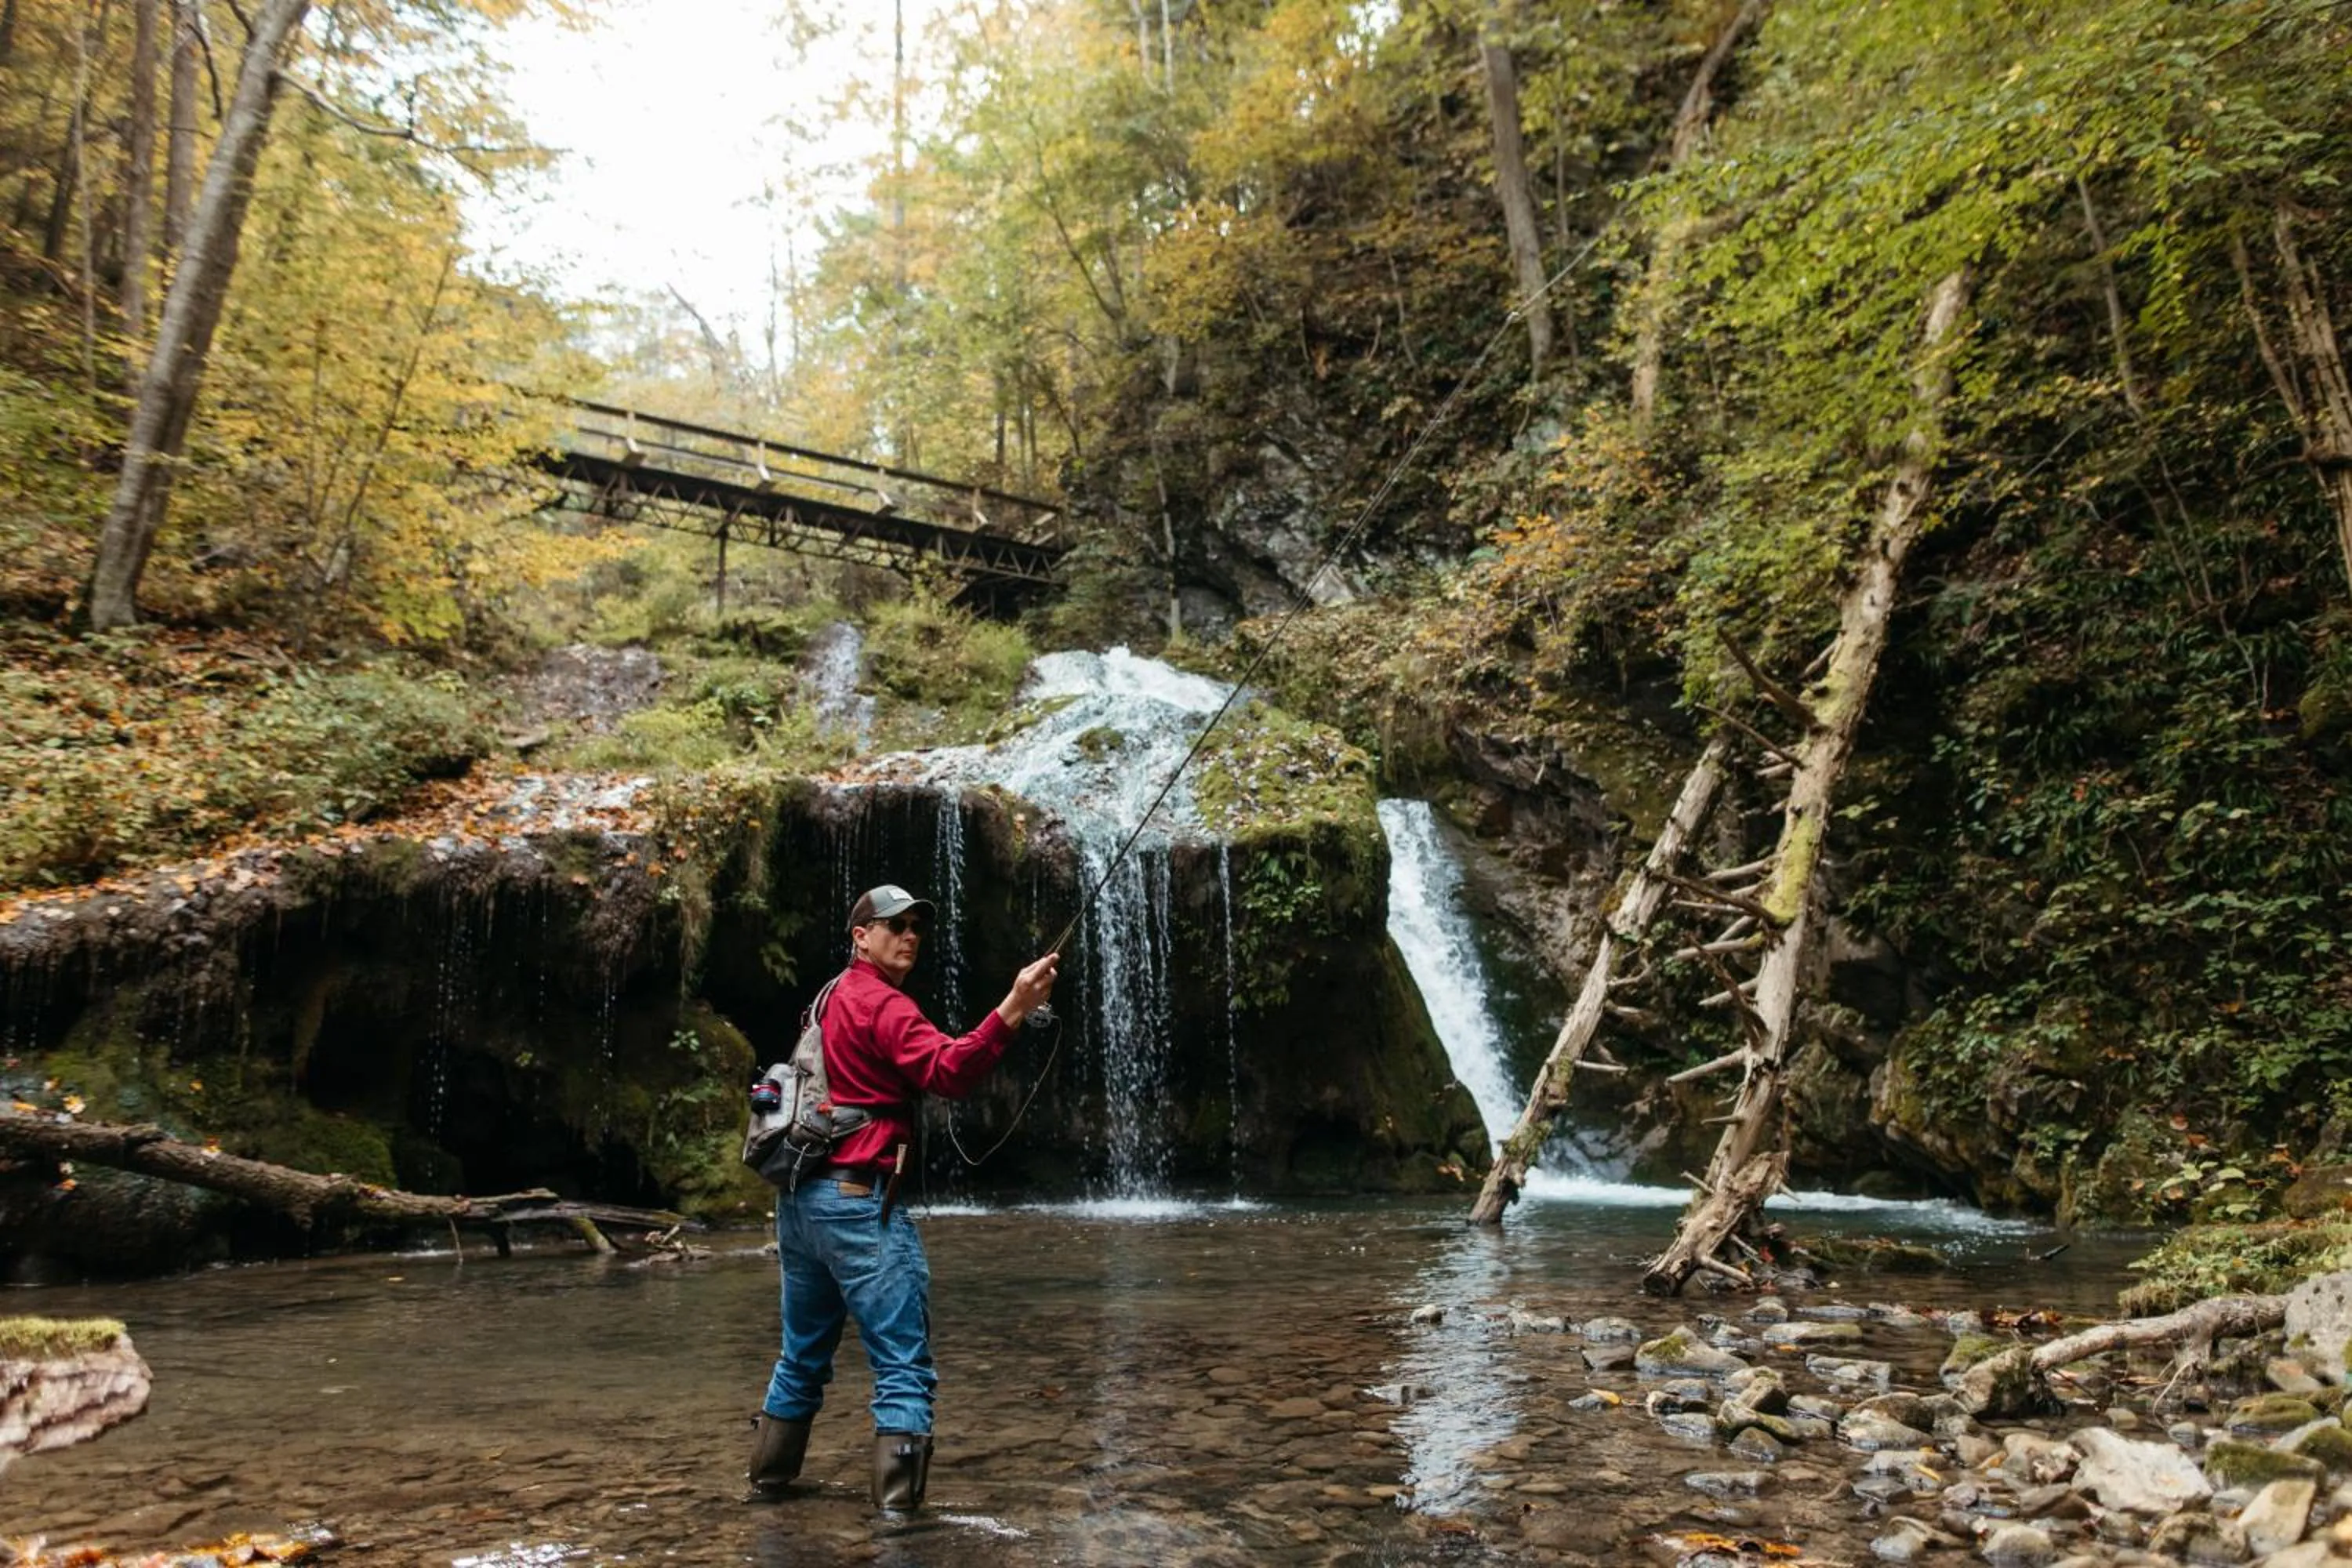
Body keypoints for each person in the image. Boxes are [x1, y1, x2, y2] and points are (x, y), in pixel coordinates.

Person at [745, 882, 1059, 1515]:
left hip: (801, 1205)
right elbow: (949, 1072)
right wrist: (1015, 1007)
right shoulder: (882, 1005)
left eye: (916, 925)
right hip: (857, 1201)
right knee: (904, 1365)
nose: (909, 934)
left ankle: (768, 1496)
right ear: (861, 936)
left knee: (802, 1357)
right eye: (894, 925)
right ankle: (900, 1527)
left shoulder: (829, 997)